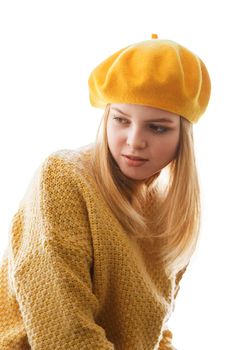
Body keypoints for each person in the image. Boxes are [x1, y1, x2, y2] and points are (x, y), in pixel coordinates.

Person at [0, 33, 211, 349]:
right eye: (121, 120)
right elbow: (64, 334)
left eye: (157, 127)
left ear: (183, 137)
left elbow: (155, 334)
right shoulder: (63, 177)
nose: (134, 140)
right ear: (106, 118)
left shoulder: (172, 214)